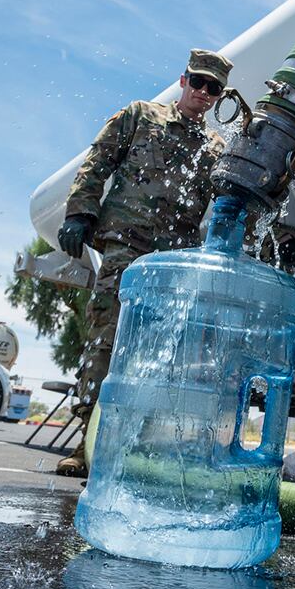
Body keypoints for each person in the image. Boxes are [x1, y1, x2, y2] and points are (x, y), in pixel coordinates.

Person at [54, 48, 230, 477]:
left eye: (214, 88)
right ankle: (85, 445)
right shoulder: (140, 116)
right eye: (199, 82)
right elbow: (98, 161)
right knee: (106, 342)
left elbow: (228, 202)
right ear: (184, 80)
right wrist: (79, 212)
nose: (204, 93)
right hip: (126, 252)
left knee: (158, 356)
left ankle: (130, 448)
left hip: (173, 266)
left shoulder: (215, 147)